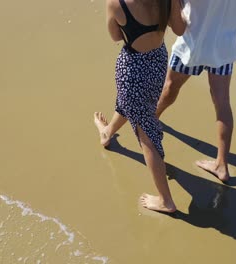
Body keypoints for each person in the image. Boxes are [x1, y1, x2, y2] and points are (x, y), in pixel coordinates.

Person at [94, 0, 186, 213]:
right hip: (157, 62)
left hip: (133, 70)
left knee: (147, 138)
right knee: (135, 106)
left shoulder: (116, 4)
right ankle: (107, 133)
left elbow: (116, 36)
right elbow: (180, 29)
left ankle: (166, 201)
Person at [156, 0, 236, 182]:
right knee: (222, 103)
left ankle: (148, 122)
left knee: (170, 88)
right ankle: (221, 165)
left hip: (192, 46)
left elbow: (178, 25)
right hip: (224, 47)